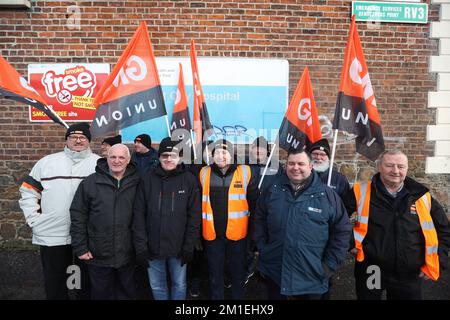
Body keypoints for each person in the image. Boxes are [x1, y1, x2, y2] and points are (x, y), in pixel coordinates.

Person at [343, 150, 450, 300]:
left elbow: (445, 229)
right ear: (380, 167)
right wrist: (350, 243)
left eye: (401, 166)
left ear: (407, 169)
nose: (395, 171)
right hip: (373, 268)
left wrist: (438, 260)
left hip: (409, 273)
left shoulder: (421, 196)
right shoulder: (360, 191)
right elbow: (337, 218)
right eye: (389, 166)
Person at [254, 149, 351, 300]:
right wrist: (263, 247)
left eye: (301, 163)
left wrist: (328, 265)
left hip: (312, 275)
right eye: (291, 163)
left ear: (310, 166)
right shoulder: (272, 191)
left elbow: (342, 231)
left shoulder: (327, 196)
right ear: (286, 165)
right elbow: (259, 219)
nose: (295, 167)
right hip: (276, 271)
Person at [18, 122, 100, 300]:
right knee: (55, 282)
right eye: (73, 137)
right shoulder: (47, 162)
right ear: (66, 140)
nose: (78, 141)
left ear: (89, 141)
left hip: (86, 235)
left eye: (82, 137)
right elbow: (28, 191)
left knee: (83, 281)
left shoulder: (98, 164)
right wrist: (34, 220)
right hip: (51, 234)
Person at [132, 137, 201, 300]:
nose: (169, 159)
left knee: (180, 284)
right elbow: (139, 214)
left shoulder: (189, 180)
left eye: (173, 155)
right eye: (164, 155)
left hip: (179, 247)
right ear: (159, 157)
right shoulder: (147, 179)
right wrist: (141, 247)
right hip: (152, 246)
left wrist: (188, 246)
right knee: (157, 286)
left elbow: (194, 216)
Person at [70, 144, 140, 300]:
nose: (117, 161)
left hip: (127, 253)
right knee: (101, 294)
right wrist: (80, 247)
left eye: (121, 157)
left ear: (128, 160)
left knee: (127, 293)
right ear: (106, 159)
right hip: (98, 253)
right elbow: (78, 215)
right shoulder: (90, 183)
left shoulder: (138, 182)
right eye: (112, 157)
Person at [199, 139, 259, 300]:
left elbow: (255, 206)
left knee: (238, 274)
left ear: (232, 155)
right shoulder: (204, 173)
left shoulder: (246, 172)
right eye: (216, 153)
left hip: (238, 236)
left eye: (224, 152)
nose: (220, 156)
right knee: (215, 274)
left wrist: (253, 235)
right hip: (212, 236)